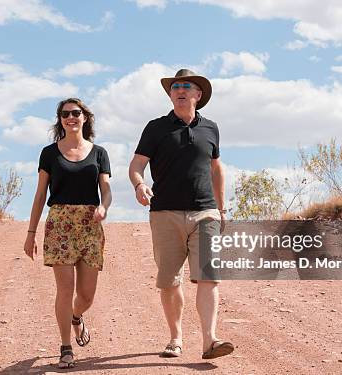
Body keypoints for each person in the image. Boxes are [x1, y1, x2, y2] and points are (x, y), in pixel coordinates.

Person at [129, 69, 234, 360]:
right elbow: (136, 164)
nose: (180, 89)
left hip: (205, 212)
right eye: (176, 86)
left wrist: (221, 208)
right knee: (169, 280)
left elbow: (216, 168)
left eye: (187, 86)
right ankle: (175, 338)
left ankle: (210, 341)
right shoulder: (156, 127)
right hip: (165, 213)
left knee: (208, 276)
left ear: (198, 95)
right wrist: (139, 184)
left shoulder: (211, 128)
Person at [24, 98, 112, 369]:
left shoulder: (99, 153)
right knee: (65, 289)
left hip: (89, 224)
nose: (70, 117)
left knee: (86, 295)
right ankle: (65, 347)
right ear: (60, 119)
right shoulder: (49, 153)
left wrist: (104, 207)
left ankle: (76, 317)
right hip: (60, 223)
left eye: (76, 113)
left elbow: (106, 190)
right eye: (65, 114)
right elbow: (40, 194)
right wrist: (30, 233)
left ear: (85, 117)